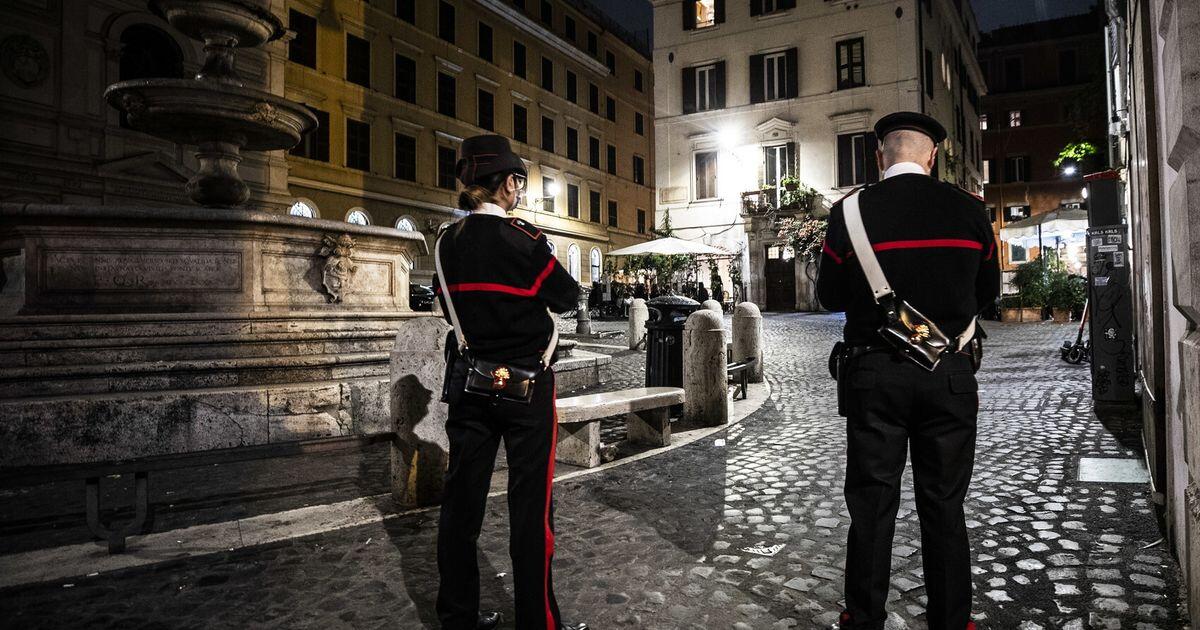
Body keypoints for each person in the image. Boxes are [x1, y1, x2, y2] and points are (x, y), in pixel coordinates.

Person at [816, 112, 1001, 630]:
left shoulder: (849, 213)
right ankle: (950, 621)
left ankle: (864, 618)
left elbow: (828, 294)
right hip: (949, 374)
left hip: (874, 374)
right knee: (944, 505)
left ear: (880, 156)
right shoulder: (969, 212)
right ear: (932, 156)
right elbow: (988, 293)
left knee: (872, 506)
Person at [433, 134, 587, 630]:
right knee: (530, 511)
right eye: (518, 182)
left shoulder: (445, 244)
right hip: (526, 388)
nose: (520, 191)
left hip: (469, 382)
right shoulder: (525, 241)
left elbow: (446, 304)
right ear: (505, 186)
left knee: (461, 506)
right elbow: (566, 297)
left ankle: (457, 616)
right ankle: (536, 622)